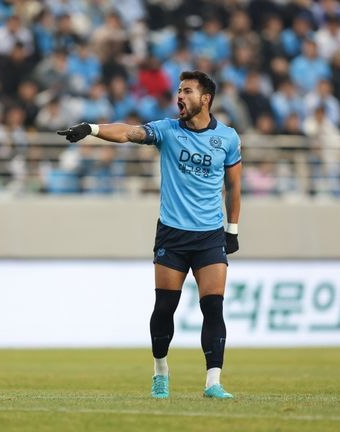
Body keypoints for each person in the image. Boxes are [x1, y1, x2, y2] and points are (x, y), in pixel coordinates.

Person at [58, 71, 242, 399]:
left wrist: (233, 230)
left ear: (206, 99)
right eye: (179, 90)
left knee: (213, 308)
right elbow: (129, 132)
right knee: (164, 308)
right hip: (172, 234)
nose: (180, 96)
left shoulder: (227, 138)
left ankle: (213, 383)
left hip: (210, 236)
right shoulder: (167, 131)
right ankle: (160, 371)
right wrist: (92, 129)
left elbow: (235, 186)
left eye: (187, 91)